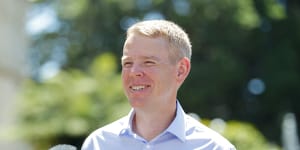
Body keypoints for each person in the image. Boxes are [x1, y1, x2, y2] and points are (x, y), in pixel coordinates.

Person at [81, 20, 236, 150]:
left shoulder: (214, 148)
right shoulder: (97, 144)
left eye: (148, 62)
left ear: (181, 70)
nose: (134, 72)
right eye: (127, 63)